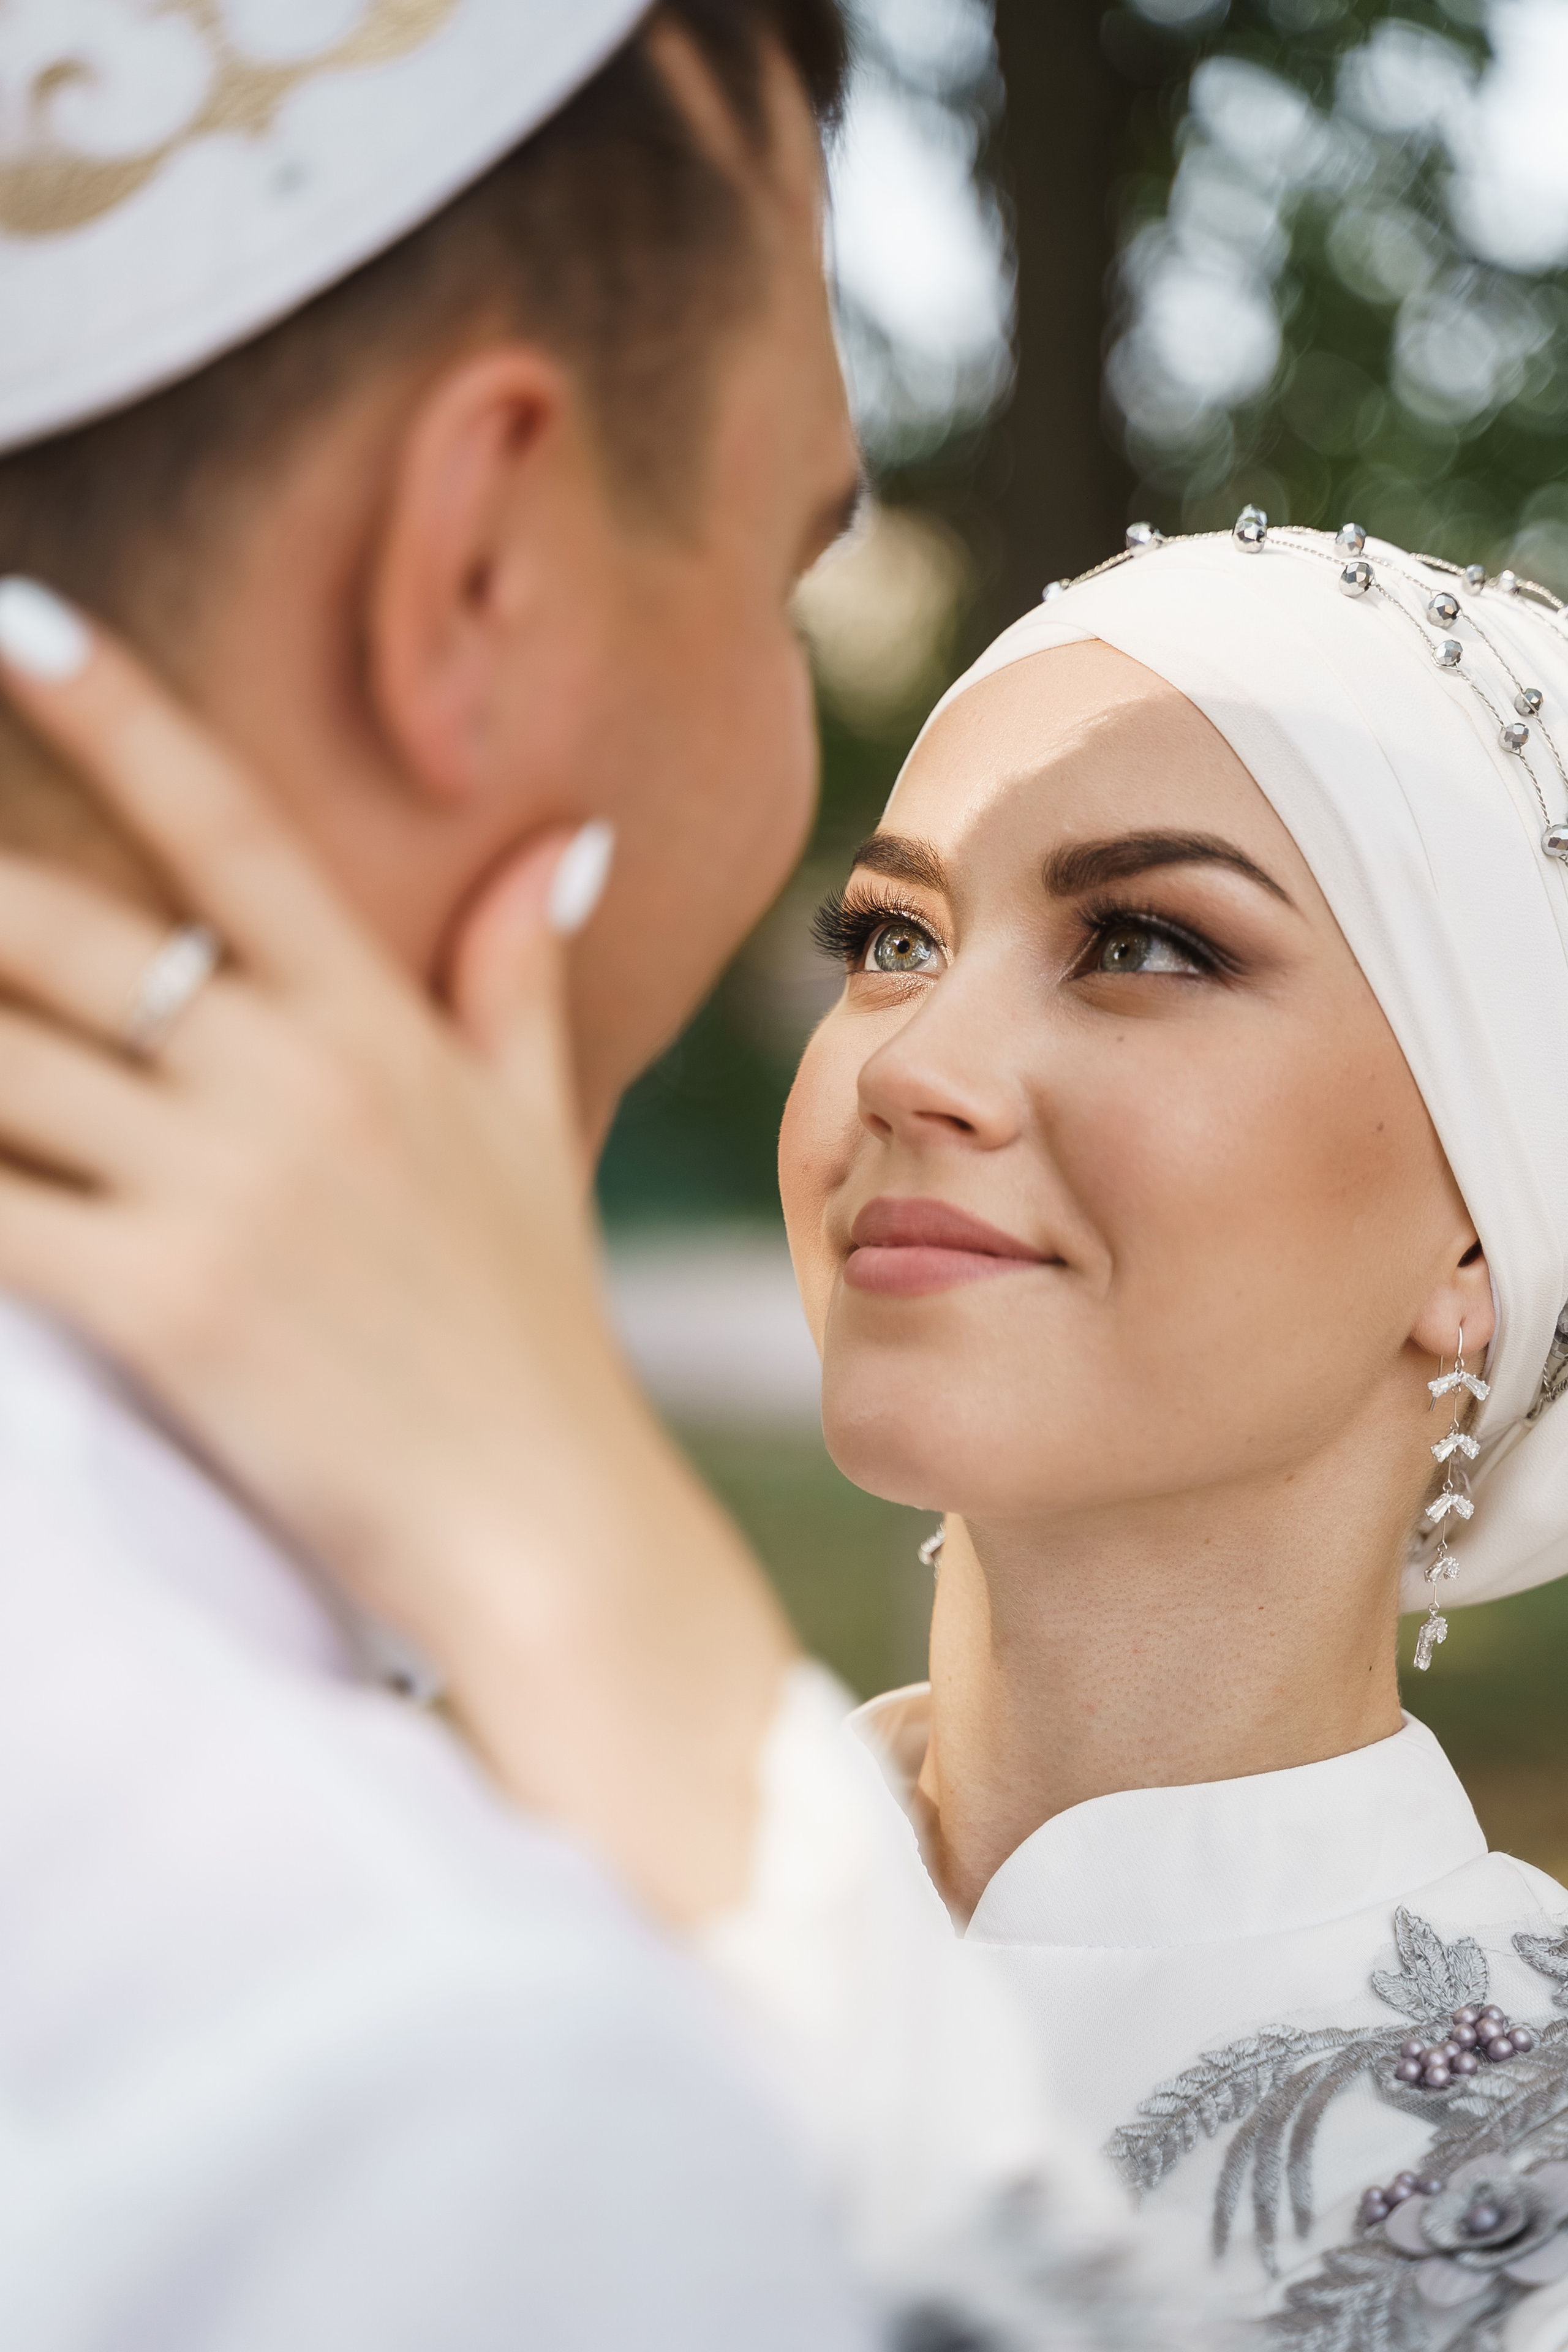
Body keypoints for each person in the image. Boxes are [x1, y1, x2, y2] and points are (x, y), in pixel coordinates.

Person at [6, 510, 1568, 2350]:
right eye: (893, 936)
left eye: (1143, 941)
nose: (909, 1064)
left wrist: (574, 1586)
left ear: (1487, 1218)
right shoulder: (437, 1864)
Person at [0, 3, 1155, 2345]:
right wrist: (613, 1609)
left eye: (1135, 945)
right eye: (771, 578)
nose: (927, 1065)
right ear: (480, 569)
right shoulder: (437, 2090)